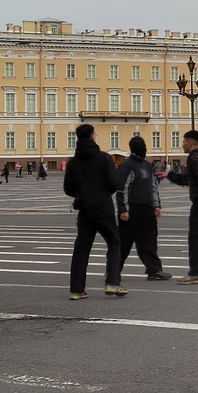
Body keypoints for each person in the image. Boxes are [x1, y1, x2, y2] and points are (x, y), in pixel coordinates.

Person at [63, 124, 126, 300]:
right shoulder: (104, 158)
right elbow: (115, 182)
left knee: (81, 248)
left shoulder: (73, 162)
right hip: (103, 207)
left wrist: (81, 194)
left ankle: (76, 290)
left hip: (84, 209)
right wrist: (103, 193)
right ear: (92, 137)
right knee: (114, 242)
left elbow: (67, 188)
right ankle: (113, 282)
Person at [157, 130, 198, 284]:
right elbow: (189, 179)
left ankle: (195, 273)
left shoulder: (194, 157)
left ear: (190, 143)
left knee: (196, 237)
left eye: (184, 142)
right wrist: (168, 175)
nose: (182, 144)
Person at [116, 136, 172, 281]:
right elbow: (122, 189)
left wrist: (156, 205)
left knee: (150, 241)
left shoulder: (147, 165)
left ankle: (154, 270)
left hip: (147, 210)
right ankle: (113, 270)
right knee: (124, 243)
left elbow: (153, 187)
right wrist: (123, 209)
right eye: (141, 147)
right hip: (131, 211)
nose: (144, 149)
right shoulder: (127, 166)